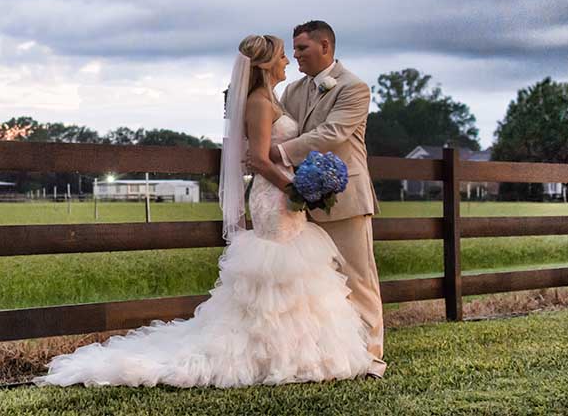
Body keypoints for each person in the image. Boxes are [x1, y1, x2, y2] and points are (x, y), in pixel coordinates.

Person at [33, 34, 372, 388]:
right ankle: (269, 353)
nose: (288, 61)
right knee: (277, 272)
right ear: (266, 63)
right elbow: (257, 158)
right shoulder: (259, 101)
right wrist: (294, 187)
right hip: (273, 196)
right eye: (283, 56)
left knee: (294, 272)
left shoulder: (273, 98)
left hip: (283, 194)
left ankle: (298, 352)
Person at [261, 20, 386, 378]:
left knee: (358, 279)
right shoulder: (293, 91)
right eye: (294, 49)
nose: (295, 55)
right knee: (317, 283)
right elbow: (280, 123)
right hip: (301, 200)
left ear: (325, 46)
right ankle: (330, 357)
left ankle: (371, 358)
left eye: (301, 48)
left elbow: (332, 134)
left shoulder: (354, 87)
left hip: (346, 198)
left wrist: (276, 152)